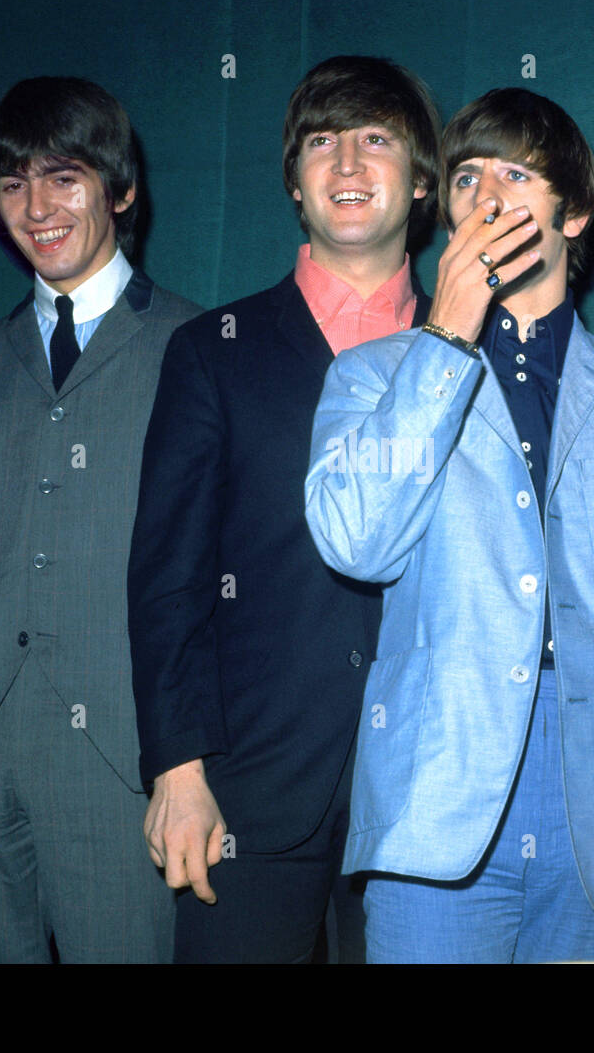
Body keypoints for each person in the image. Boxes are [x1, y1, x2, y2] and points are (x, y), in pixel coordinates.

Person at [304, 88, 594, 962]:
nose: (487, 197)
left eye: (514, 174)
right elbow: (353, 539)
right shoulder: (368, 375)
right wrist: (447, 337)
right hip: (435, 811)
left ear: (574, 213)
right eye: (464, 178)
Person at [128, 55, 440, 963]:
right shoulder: (211, 353)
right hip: (246, 794)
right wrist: (176, 769)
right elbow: (165, 582)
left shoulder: (477, 358)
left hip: (432, 799)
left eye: (375, 140)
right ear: (296, 187)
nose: (346, 163)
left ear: (423, 182)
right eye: (320, 143)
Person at [0, 76, 199, 962]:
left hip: (124, 756)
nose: (36, 208)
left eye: (63, 177)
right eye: (12, 185)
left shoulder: (198, 350)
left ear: (120, 189)